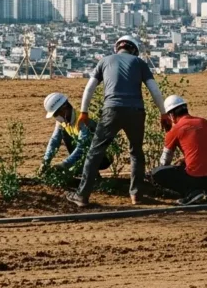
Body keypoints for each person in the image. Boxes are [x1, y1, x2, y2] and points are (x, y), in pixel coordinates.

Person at [67, 35, 170, 207]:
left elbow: (89, 87)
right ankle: (136, 194)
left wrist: (83, 112)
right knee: (136, 152)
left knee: (95, 153)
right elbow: (154, 89)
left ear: (117, 48)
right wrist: (163, 113)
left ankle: (82, 195)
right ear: (134, 50)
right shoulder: (139, 63)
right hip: (136, 111)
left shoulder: (105, 61)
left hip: (111, 110)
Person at [150, 95, 207, 205]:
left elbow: (165, 161)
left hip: (197, 177)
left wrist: (152, 175)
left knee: (157, 173)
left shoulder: (175, 129)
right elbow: (201, 148)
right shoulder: (204, 122)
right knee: (186, 167)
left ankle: (192, 193)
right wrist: (185, 159)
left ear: (171, 115)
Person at [38, 92, 111, 175]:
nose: (56, 118)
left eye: (56, 114)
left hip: (103, 157)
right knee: (63, 133)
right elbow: (54, 141)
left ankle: (88, 171)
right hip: (87, 153)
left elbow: (82, 146)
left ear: (64, 108)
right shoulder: (62, 122)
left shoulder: (83, 120)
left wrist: (64, 165)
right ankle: (87, 171)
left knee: (74, 169)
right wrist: (45, 161)